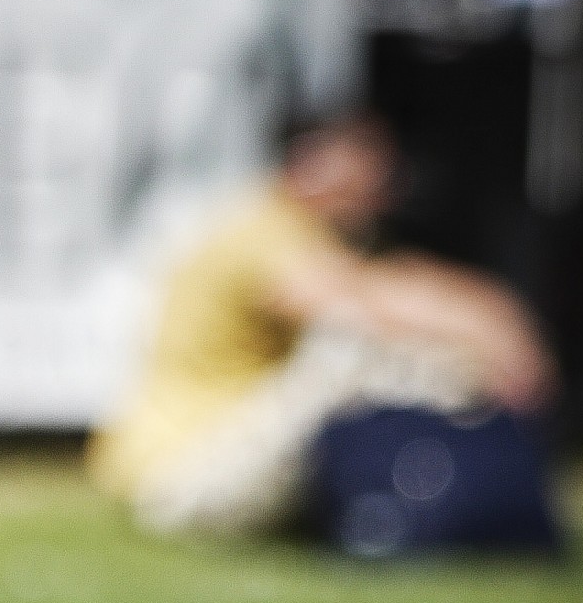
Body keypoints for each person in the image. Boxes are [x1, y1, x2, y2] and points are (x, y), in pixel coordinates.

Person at [88, 110, 558, 540]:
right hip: (183, 466)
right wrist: (490, 337)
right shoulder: (262, 228)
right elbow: (362, 305)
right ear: (311, 162)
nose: (379, 184)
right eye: (364, 165)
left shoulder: (312, 234)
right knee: (356, 355)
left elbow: (397, 282)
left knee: (379, 359)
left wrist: (495, 315)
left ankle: (441, 495)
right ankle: (475, 482)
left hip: (221, 459)